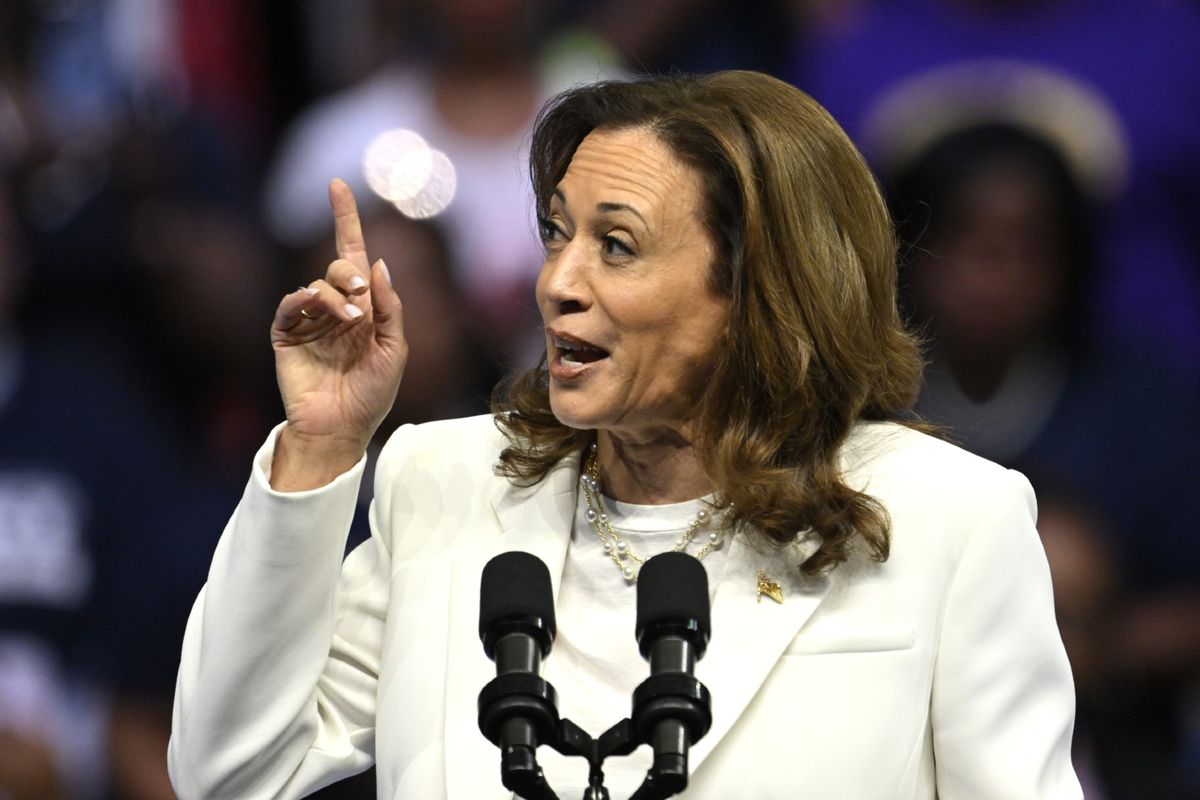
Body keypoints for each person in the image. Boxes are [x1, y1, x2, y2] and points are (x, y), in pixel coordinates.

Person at [168, 72, 1082, 798]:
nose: (556, 282)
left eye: (616, 245)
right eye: (556, 233)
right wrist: (321, 446)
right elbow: (233, 772)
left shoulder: (948, 519)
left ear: (757, 291)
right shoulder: (441, 482)